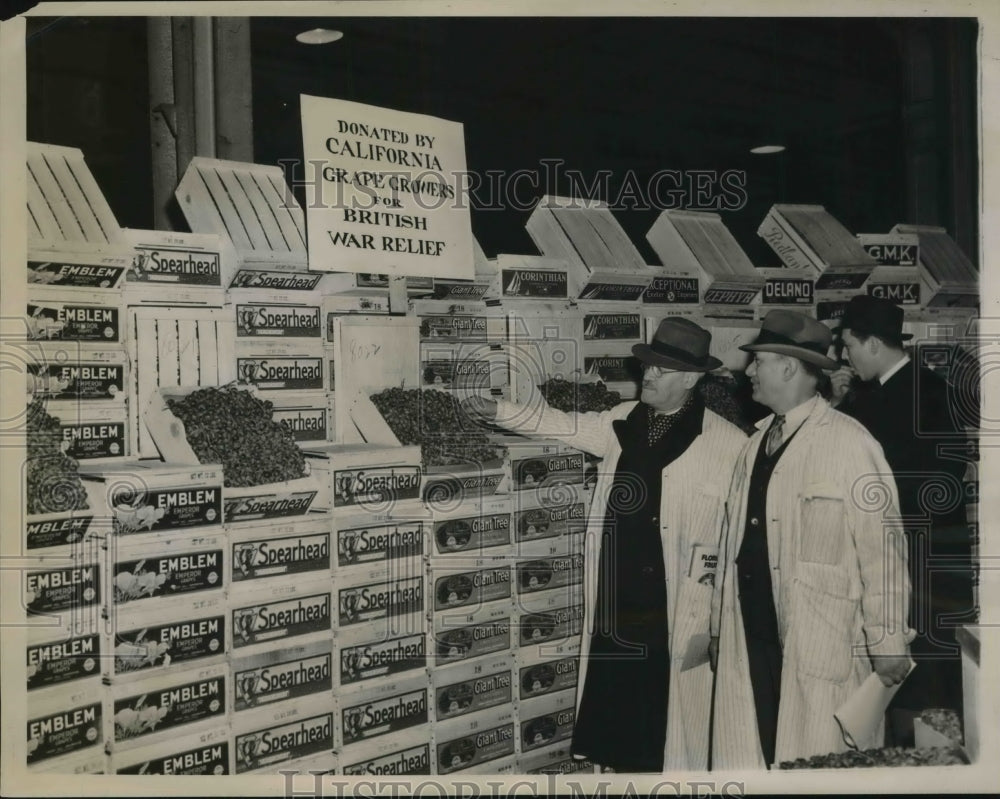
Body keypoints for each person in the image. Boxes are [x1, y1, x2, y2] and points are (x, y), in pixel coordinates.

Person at [462, 317, 746, 772]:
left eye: (662, 370)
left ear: (691, 379)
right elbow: (562, 424)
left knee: (668, 726)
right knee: (615, 713)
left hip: (673, 605)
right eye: (647, 366)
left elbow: (733, 546)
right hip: (619, 599)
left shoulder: (729, 445)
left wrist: (712, 623)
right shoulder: (621, 420)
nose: (647, 375)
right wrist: (499, 412)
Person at [709, 309, 912, 770]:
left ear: (787, 366)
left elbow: (884, 550)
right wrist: (719, 627)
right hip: (754, 630)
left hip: (820, 635)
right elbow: (731, 545)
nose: (749, 372)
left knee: (820, 759)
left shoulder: (849, 443)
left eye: (758, 361)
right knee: (756, 747)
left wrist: (887, 640)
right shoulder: (753, 443)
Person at [830, 295, 973, 739]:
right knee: (900, 688)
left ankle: (935, 771)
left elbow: (944, 481)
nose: (843, 356)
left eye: (848, 345)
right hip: (903, 564)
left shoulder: (929, 393)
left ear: (872, 344)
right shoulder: (872, 396)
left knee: (929, 687)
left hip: (925, 567)